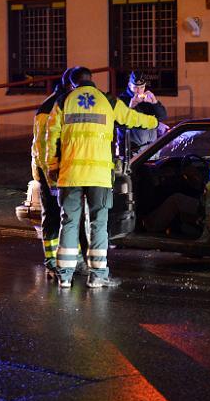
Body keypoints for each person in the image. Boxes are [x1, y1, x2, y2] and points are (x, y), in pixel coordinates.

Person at [46, 66, 158, 289]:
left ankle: (65, 276)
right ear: (91, 80)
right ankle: (98, 276)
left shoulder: (63, 101)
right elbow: (131, 118)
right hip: (98, 175)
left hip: (71, 174)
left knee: (68, 222)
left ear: (74, 82)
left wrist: (52, 165)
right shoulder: (107, 100)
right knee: (98, 223)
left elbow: (52, 136)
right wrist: (155, 123)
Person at [30, 75, 88, 279]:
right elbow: (45, 146)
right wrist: (53, 179)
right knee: (58, 218)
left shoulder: (51, 103)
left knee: (63, 218)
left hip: (51, 171)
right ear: (69, 86)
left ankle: (64, 261)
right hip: (51, 173)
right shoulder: (53, 107)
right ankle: (54, 263)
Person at [117, 70, 167, 155]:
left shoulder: (147, 99)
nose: (139, 91)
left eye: (142, 87)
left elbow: (162, 116)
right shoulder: (122, 100)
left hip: (151, 151)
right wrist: (131, 107)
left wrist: (155, 102)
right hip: (132, 152)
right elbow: (120, 123)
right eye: (136, 87)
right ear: (129, 85)